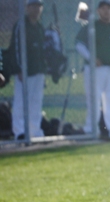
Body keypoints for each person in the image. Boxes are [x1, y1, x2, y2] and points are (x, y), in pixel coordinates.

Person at [75, 0, 110, 139]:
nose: (106, 11)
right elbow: (79, 45)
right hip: (94, 69)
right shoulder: (91, 27)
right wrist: (92, 58)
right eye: (103, 8)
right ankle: (91, 130)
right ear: (98, 11)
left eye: (109, 8)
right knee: (93, 100)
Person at [9, 0, 47, 139]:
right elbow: (16, 48)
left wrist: (44, 69)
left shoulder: (40, 27)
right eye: (33, 6)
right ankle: (19, 131)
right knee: (21, 102)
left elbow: (43, 50)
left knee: (36, 102)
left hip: (38, 70)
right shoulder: (21, 25)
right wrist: (19, 68)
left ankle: (34, 131)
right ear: (27, 8)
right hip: (24, 71)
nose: (36, 9)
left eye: (38, 6)